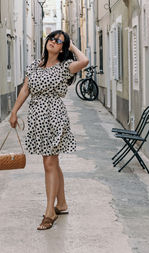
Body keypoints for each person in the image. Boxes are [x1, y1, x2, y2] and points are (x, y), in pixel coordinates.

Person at [9, 30, 89, 230]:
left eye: (59, 41)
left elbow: (85, 60)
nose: (53, 42)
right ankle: (61, 203)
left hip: (55, 118)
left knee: (49, 163)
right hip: (37, 118)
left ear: (63, 48)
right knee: (53, 162)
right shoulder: (34, 66)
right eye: (52, 38)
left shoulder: (65, 67)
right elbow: (26, 89)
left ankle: (49, 212)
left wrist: (71, 46)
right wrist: (14, 112)